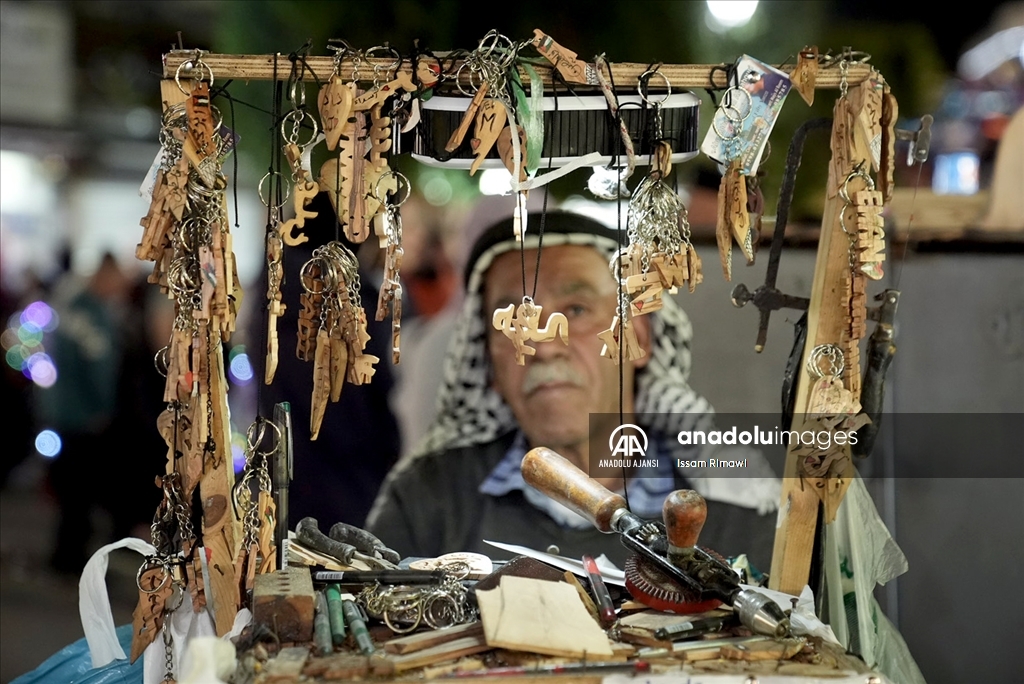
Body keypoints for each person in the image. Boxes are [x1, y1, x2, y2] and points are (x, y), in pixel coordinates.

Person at [365, 211, 780, 570]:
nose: (544, 347)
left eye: (576, 310)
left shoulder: (734, 503)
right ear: (489, 362)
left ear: (636, 337)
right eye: (513, 325)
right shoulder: (429, 498)